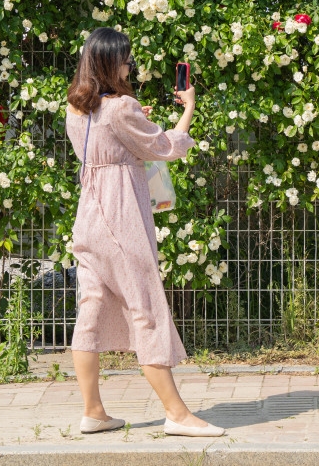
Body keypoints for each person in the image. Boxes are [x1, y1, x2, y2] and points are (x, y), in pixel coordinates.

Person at [65, 27, 224, 436]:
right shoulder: (122, 108)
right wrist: (188, 108)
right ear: (109, 62)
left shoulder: (76, 108)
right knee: (146, 307)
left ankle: (93, 411)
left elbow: (113, 143)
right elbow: (165, 147)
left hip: (89, 218)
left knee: (91, 309)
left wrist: (138, 123)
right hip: (121, 220)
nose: (128, 63)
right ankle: (177, 414)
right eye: (124, 58)